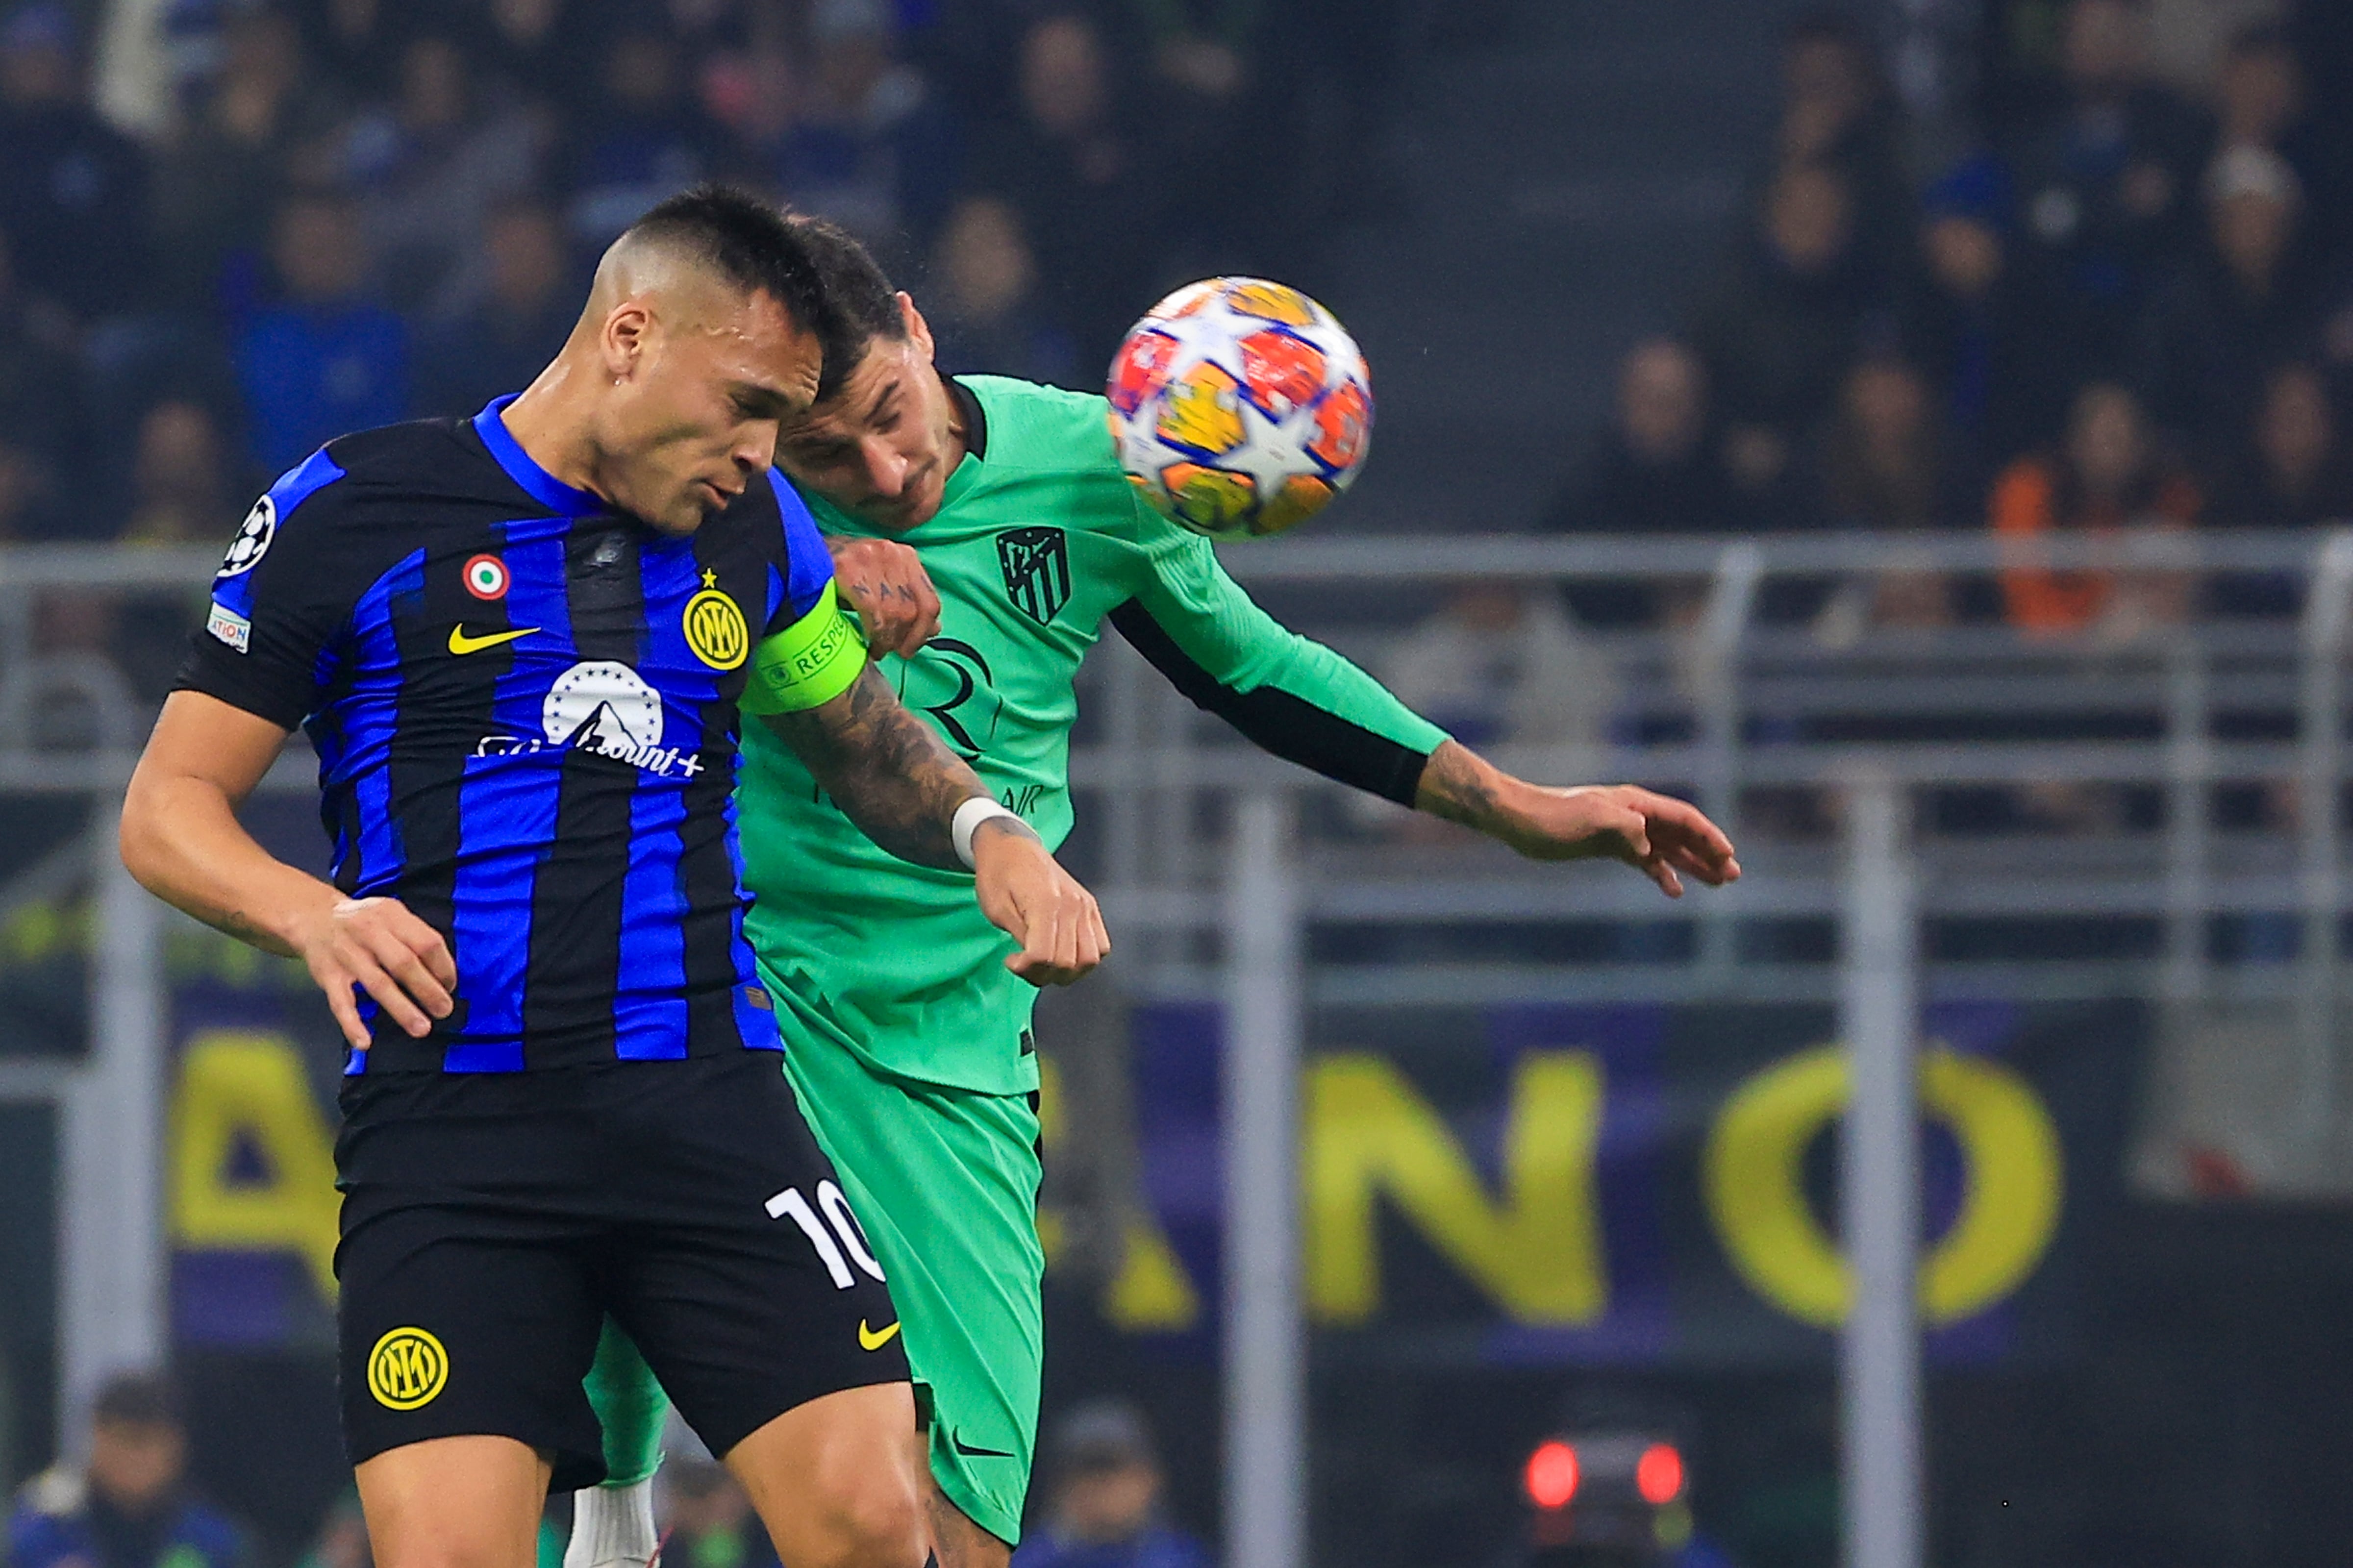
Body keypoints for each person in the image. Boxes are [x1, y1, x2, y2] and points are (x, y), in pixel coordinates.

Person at [568, 221, 1739, 1568]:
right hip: (753, 970)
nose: (881, 472)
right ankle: (612, 1505)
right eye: (828, 453)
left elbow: (1252, 666)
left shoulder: (1092, 462)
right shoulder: (731, 486)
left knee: (954, 1538)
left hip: (951, 1038)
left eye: (889, 416)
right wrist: (793, 563)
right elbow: (573, 591)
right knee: (622, 1126)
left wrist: (1521, 806)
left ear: (917, 326)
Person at [117, 186, 1106, 1568]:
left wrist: (991, 833)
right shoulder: (351, 509)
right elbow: (167, 808)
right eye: (751, 405)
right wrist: (313, 911)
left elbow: (865, 744)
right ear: (632, 336)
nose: (767, 453)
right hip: (456, 1138)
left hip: (709, 1106)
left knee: (882, 1523)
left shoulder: (752, 531)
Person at [232, 190, 408, 473]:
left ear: (355, 250)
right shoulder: (257, 345)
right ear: (282, 254)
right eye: (307, 248)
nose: (318, 260)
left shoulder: (391, 339)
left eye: (329, 247)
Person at [8, 1372, 246, 1568]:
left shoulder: (210, 1539)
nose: (134, 1458)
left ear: (176, 1448)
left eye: (148, 1443)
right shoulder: (45, 1528)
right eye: (125, 1440)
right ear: (97, 1439)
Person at [1006, 1402, 1205, 1568]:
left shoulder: (1187, 1561)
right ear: (1060, 1487)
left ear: (1149, 1479)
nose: (1101, 1486)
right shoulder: (1024, 1562)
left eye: (1114, 1469)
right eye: (1087, 1472)